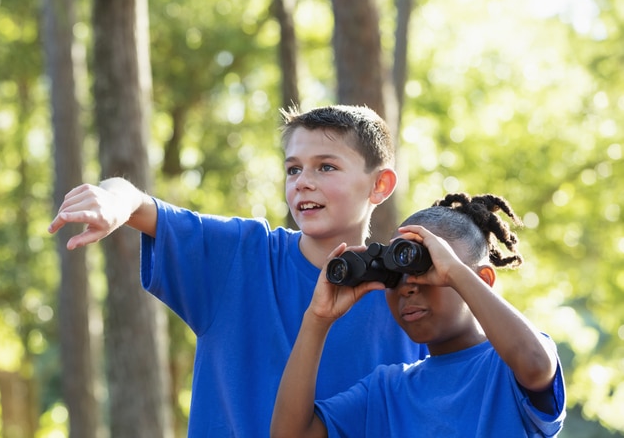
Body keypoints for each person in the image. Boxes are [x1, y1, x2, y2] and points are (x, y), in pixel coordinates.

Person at [48, 105, 427, 436]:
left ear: (380, 184)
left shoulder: (410, 290)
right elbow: (137, 200)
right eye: (293, 170)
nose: (303, 183)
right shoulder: (240, 255)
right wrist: (115, 202)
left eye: (326, 167)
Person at [271, 193, 566, 437]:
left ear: (482, 280)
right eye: (395, 276)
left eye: (428, 270)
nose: (408, 287)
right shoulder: (386, 392)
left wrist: (453, 271)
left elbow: (536, 365)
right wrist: (317, 318)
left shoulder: (507, 367)